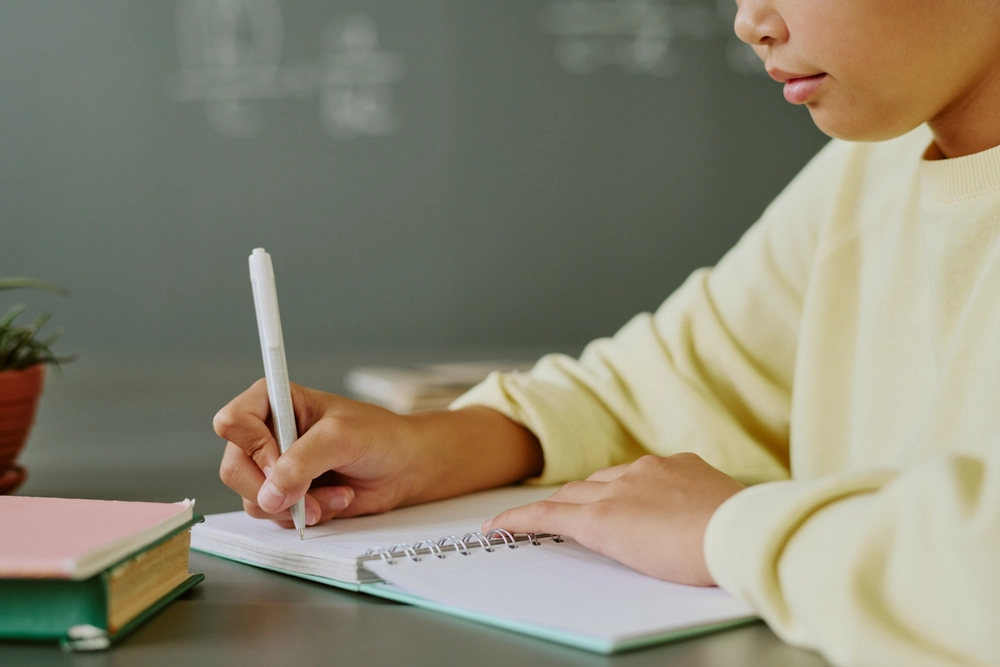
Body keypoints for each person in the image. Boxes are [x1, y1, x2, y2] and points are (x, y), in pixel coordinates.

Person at [213, 1, 1000, 664]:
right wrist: (434, 446)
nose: (749, 20)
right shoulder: (871, 172)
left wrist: (727, 530)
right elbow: (685, 377)